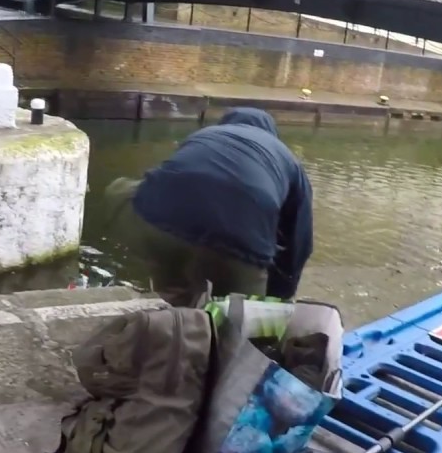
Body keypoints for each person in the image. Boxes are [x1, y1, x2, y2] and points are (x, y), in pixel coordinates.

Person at [103, 107, 313, 306]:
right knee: (240, 323)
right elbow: (298, 241)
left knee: (123, 192)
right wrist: (279, 296)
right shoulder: (287, 158)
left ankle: (170, 307)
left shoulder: (205, 134)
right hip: (240, 242)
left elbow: (175, 178)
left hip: (159, 223)